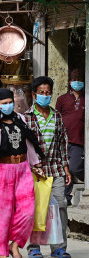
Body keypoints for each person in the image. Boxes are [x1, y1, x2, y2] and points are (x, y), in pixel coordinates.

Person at [0, 88, 44, 258]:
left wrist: (36, 164)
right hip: (1, 171)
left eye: (10, 102)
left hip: (22, 169)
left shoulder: (20, 119)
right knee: (2, 214)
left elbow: (28, 143)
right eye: (3, 103)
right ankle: (2, 254)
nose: (8, 106)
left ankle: (14, 245)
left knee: (27, 211)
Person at [25, 76, 72, 258]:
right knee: (37, 208)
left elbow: (62, 143)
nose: (45, 96)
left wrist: (66, 167)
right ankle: (34, 246)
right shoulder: (26, 118)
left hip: (56, 168)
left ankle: (59, 247)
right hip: (35, 170)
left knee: (60, 206)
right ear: (34, 94)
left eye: (48, 93)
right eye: (41, 93)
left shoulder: (57, 116)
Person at [56, 69, 85, 205]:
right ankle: (66, 199)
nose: (77, 82)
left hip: (79, 140)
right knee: (64, 170)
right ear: (69, 82)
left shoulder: (86, 98)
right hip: (63, 139)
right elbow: (57, 118)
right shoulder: (62, 99)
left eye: (79, 80)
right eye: (74, 80)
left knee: (74, 168)